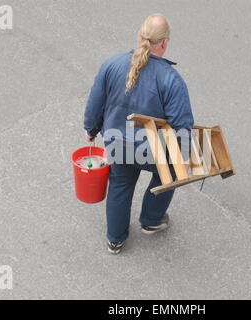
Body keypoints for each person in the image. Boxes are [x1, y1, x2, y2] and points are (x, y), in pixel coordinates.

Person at [84, 13, 194, 254]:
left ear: (139, 36)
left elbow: (95, 102)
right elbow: (182, 123)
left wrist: (91, 129)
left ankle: (115, 238)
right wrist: (184, 155)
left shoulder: (112, 65)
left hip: (118, 144)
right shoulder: (171, 79)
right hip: (153, 150)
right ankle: (152, 220)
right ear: (164, 42)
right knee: (170, 173)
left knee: (120, 184)